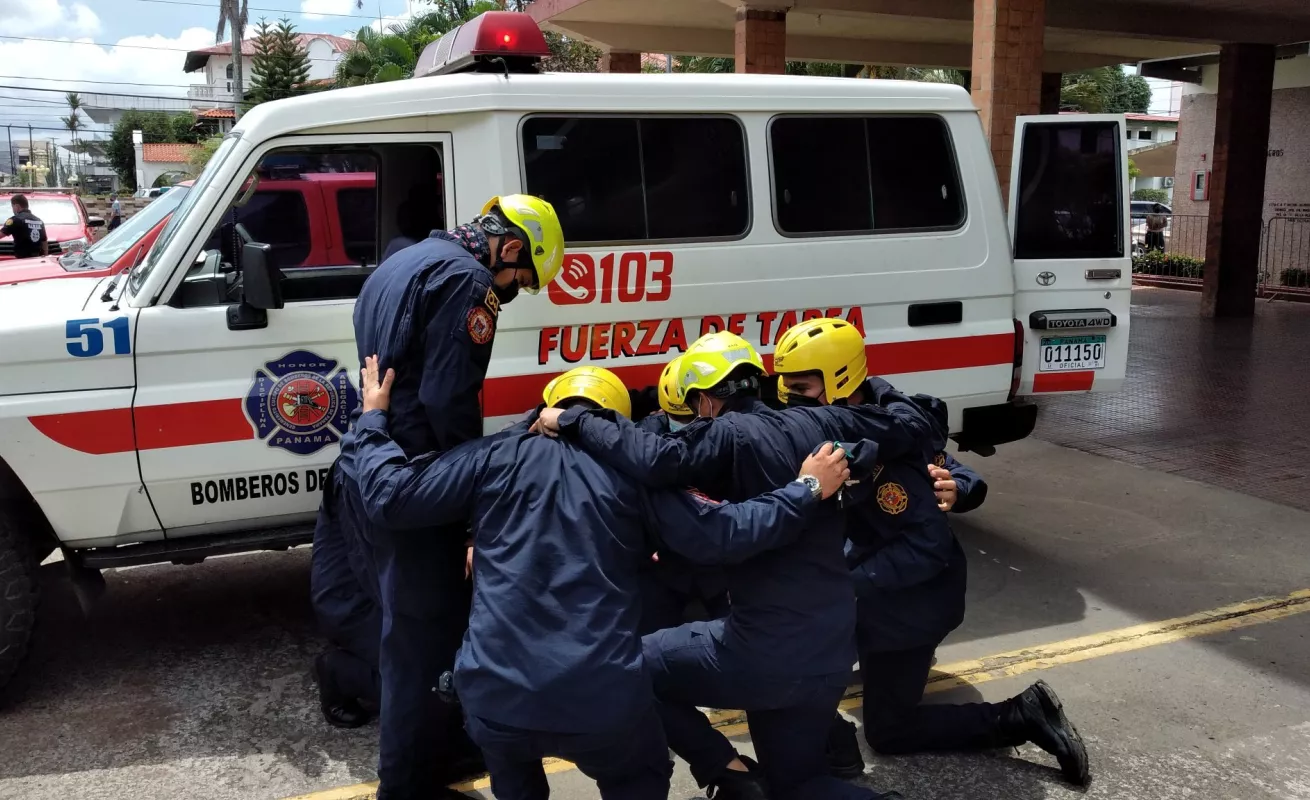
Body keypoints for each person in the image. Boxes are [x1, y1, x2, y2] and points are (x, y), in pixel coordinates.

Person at [341, 360, 853, 800]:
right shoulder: (635, 477)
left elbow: (390, 497)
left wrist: (372, 417)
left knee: (512, 770)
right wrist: (807, 488)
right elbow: (728, 534)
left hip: (494, 698)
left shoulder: (495, 455)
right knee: (640, 773)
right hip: (601, 705)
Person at [535, 330, 933, 800]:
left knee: (621, 665)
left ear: (706, 401)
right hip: (832, 644)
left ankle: (727, 772)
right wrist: (877, 388)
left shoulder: (727, 434)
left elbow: (661, 461)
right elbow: (915, 422)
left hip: (767, 649)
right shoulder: (826, 420)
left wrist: (573, 418)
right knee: (797, 786)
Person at [313, 194, 564, 800]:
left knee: (398, 625)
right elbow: (450, 402)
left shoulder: (401, 260)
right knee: (420, 645)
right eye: (521, 279)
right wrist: (467, 500)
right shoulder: (469, 283)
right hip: (416, 483)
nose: (513, 291)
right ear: (510, 248)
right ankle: (406, 786)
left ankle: (420, 738)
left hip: (368, 457)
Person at [772, 317, 1090, 787]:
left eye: (800, 387)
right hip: (876, 591)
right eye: (786, 386)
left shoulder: (889, 444)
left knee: (889, 730)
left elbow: (926, 542)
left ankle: (1022, 715)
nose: (789, 397)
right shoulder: (874, 417)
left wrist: (842, 583)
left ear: (839, 379)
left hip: (908, 610)